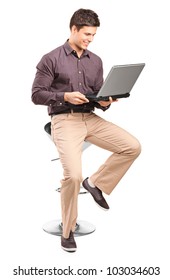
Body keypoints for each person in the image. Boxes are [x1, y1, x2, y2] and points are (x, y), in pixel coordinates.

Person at [31, 8, 141, 253]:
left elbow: (98, 94)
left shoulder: (96, 61)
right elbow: (36, 95)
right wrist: (64, 96)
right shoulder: (51, 58)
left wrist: (104, 101)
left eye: (93, 35)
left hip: (90, 118)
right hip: (64, 120)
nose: (90, 39)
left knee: (132, 146)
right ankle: (68, 231)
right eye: (86, 34)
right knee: (72, 176)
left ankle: (96, 183)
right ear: (73, 29)